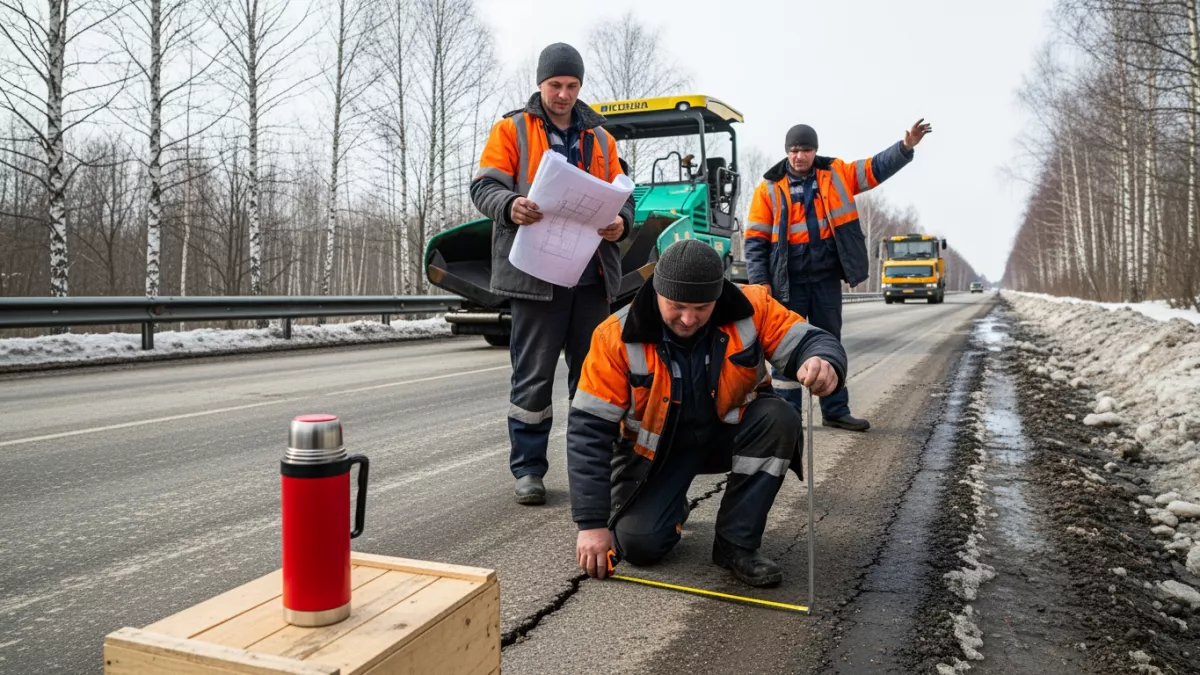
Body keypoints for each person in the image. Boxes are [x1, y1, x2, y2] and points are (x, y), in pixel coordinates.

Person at [566, 240, 847, 588]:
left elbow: (811, 340)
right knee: (640, 544)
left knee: (779, 418)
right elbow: (588, 433)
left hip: (725, 435)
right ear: (657, 291)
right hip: (654, 455)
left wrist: (822, 361)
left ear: (719, 294)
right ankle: (672, 505)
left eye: (701, 307)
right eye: (677, 306)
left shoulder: (751, 307)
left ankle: (736, 544)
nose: (688, 318)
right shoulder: (615, 337)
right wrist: (591, 525)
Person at [470, 43, 636, 506]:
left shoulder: (602, 138)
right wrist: (508, 205)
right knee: (532, 378)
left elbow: (625, 197)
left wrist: (622, 221)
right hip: (534, 279)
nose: (563, 94)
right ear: (540, 84)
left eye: (571, 86)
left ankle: (591, 468)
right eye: (555, 85)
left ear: (580, 87)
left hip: (591, 280)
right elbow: (484, 186)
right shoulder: (511, 129)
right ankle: (528, 470)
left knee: (594, 379)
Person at [744, 120, 932, 432]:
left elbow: (874, 168)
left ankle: (835, 410)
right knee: (785, 345)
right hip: (786, 282)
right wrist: (760, 284)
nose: (799, 156)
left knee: (829, 343)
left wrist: (905, 147)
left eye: (805, 150)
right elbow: (755, 241)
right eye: (793, 151)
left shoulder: (836, 175)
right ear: (786, 153)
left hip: (825, 279)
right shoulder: (768, 189)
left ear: (815, 151)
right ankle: (787, 418)